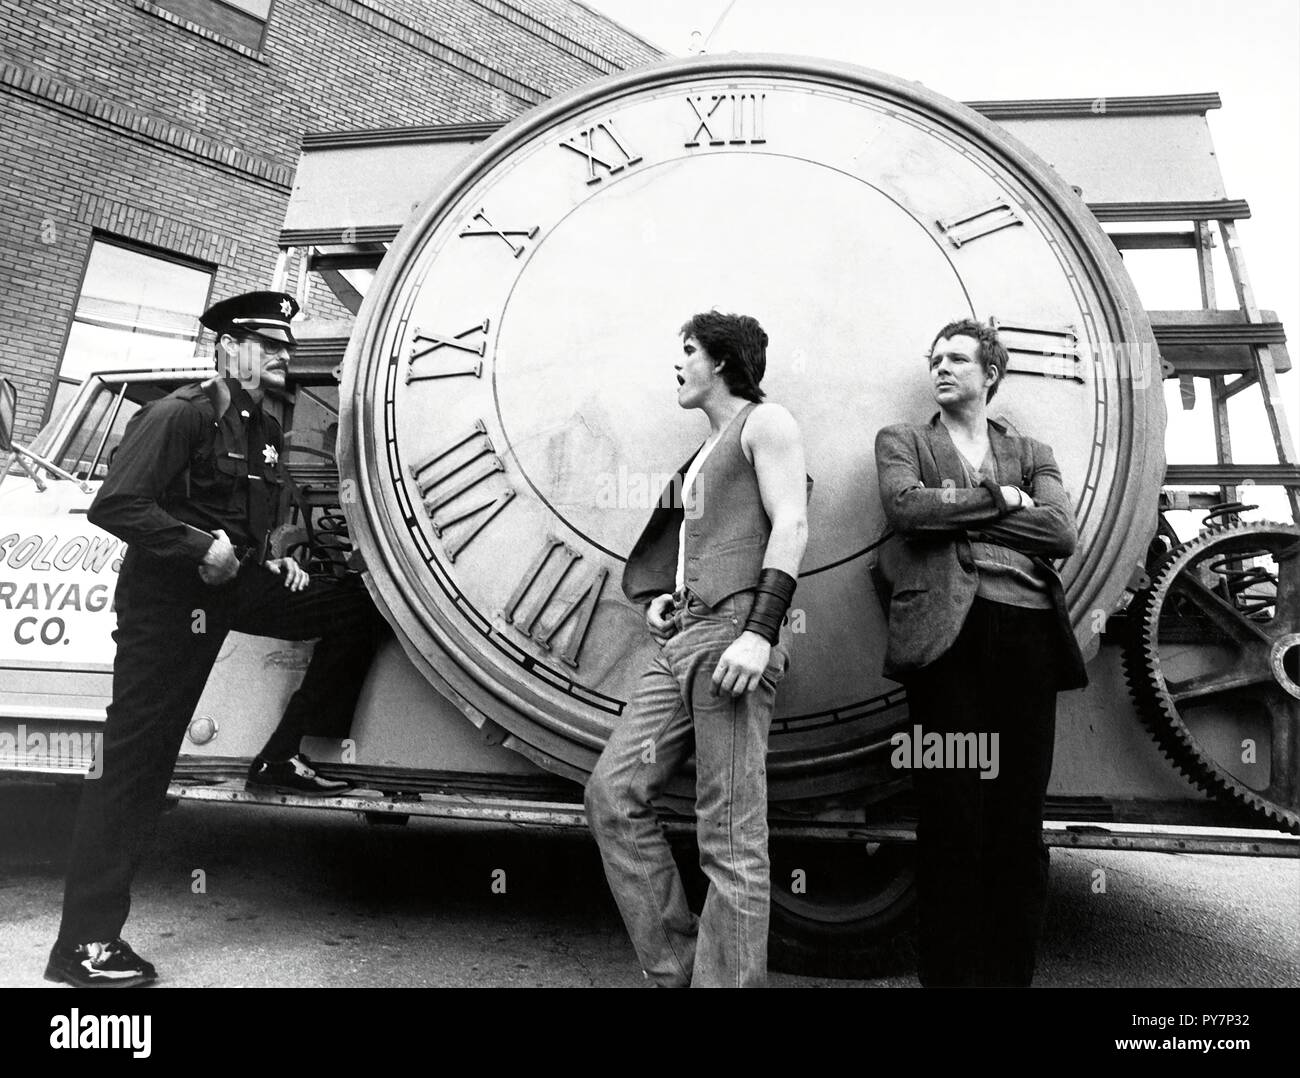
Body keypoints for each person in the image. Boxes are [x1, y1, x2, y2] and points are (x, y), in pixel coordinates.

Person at [45, 291, 384, 988]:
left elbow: (238, 522)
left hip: (230, 586)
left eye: (288, 348)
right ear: (230, 347)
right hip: (169, 604)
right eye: (272, 347)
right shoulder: (181, 414)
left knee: (357, 604)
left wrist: (272, 560)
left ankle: (282, 756)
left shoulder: (259, 427)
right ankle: (82, 945)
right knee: (136, 765)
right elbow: (117, 505)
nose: (285, 359)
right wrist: (200, 547)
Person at [584, 311, 808, 988]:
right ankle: (678, 969)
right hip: (686, 637)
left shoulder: (766, 424)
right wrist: (668, 596)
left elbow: (792, 524)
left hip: (735, 637)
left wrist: (759, 633)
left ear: (722, 360)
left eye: (687, 351)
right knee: (612, 792)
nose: (675, 365)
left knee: (730, 836)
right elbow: (704, 543)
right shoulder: (705, 451)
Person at [873, 318, 1087, 987]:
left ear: (990, 373)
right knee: (950, 817)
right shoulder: (903, 440)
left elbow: (1058, 531)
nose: (941, 367)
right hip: (947, 646)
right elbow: (907, 509)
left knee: (1018, 823)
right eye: (935, 358)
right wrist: (1000, 497)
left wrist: (961, 506)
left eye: (958, 359)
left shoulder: (1034, 448)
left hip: (1028, 644)